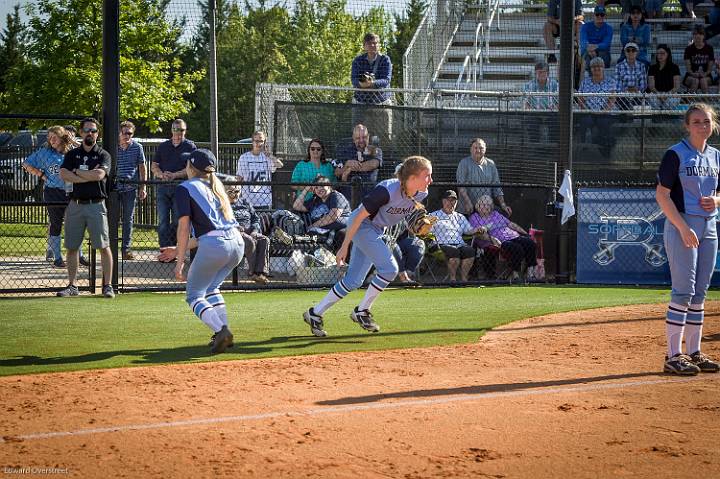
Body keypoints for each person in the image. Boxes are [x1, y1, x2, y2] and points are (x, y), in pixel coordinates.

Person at [302, 156, 433, 337]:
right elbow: (356, 217)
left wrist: (419, 227)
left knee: (353, 281)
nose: (431, 180)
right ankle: (362, 311)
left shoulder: (421, 193)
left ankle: (315, 313)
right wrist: (344, 246)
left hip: (376, 230)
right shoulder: (386, 190)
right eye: (427, 175)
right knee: (389, 269)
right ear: (412, 177)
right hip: (361, 225)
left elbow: (407, 218)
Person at [655, 102, 720, 375]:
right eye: (696, 122)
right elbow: (662, 194)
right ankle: (674, 355)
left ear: (713, 124)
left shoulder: (716, 155)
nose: (702, 126)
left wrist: (716, 200)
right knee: (683, 290)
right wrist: (682, 227)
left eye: (706, 121)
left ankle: (694, 352)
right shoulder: (676, 154)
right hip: (683, 224)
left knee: (700, 292)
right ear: (687, 125)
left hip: (710, 227)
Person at [160, 149, 245, 354]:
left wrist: (179, 262)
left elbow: (184, 228)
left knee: (194, 295)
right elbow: (210, 231)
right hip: (236, 243)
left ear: (190, 167)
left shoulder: (186, 187)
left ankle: (221, 331)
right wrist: (178, 250)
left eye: (186, 164)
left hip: (216, 246)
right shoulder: (217, 186)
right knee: (212, 287)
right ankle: (224, 332)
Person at [56, 118, 114, 298]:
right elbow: (63, 174)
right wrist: (86, 175)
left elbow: (100, 174)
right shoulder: (72, 155)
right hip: (75, 205)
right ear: (81, 133)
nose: (90, 133)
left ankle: (107, 286)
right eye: (87, 130)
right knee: (72, 247)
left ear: (97, 134)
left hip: (96, 205)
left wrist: (77, 173)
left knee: (104, 246)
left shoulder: (103, 155)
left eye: (94, 131)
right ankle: (72, 286)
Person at [22, 125, 88, 268]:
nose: (51, 140)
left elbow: (88, 153)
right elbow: (26, 163)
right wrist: (41, 175)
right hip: (53, 192)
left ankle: (80, 255)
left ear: (62, 137)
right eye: (49, 137)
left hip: (71, 191)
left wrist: (73, 141)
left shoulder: (72, 152)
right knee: (56, 223)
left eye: (54, 137)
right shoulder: (45, 153)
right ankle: (57, 258)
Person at [152, 118, 196, 256]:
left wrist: (175, 175)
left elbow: (192, 168)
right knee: (163, 221)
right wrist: (160, 174)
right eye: (176, 129)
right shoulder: (163, 146)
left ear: (185, 131)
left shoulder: (190, 146)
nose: (178, 133)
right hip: (163, 187)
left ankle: (177, 251)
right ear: (171, 130)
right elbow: (154, 165)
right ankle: (164, 252)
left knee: (179, 221)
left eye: (181, 130)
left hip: (181, 188)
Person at [468, 195, 538, 282]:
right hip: (498, 241)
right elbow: (477, 234)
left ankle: (530, 274)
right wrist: (491, 239)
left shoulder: (496, 214)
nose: (486, 207)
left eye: (488, 205)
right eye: (483, 204)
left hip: (513, 235)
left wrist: (525, 233)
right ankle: (515, 274)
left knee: (530, 243)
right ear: (477, 206)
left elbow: (510, 224)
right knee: (517, 248)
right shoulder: (474, 217)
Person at [429, 190, 487, 283]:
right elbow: (427, 231)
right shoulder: (434, 215)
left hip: (459, 244)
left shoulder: (460, 217)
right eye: (448, 200)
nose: (451, 203)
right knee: (454, 252)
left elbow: (468, 231)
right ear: (443, 201)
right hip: (441, 244)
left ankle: (464, 279)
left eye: (453, 201)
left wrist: (478, 229)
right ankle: (453, 279)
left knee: (470, 251)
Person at [351, 33, 393, 143]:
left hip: (381, 103)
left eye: (375, 43)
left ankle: (385, 158)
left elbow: (386, 80)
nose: (373, 46)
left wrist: (372, 83)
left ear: (379, 45)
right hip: (361, 102)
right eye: (370, 44)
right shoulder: (357, 60)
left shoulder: (385, 60)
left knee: (384, 135)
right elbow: (354, 79)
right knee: (359, 134)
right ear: (364, 46)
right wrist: (361, 84)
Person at [456, 138, 512, 216]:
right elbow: (461, 186)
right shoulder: (464, 163)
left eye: (481, 148)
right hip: (468, 208)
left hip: (486, 209)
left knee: (504, 215)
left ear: (485, 149)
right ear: (471, 149)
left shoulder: (491, 164)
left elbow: (497, 187)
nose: (478, 150)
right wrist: (467, 202)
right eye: (475, 148)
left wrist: (503, 204)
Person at [227, 184, 270, 284]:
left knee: (264, 240)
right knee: (249, 240)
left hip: (250, 232)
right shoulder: (222, 204)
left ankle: (260, 273)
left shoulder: (245, 203)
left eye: (237, 191)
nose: (234, 194)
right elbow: (221, 221)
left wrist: (255, 230)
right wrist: (234, 227)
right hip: (233, 234)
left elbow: (255, 219)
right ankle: (252, 273)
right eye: (230, 192)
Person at [116, 121, 147, 260]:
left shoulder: (137, 147)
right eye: (124, 133)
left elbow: (142, 167)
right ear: (119, 133)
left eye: (130, 133)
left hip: (130, 188)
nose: (127, 135)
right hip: (114, 188)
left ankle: (126, 249)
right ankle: (110, 247)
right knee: (112, 219)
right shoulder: (113, 146)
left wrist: (143, 186)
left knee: (128, 219)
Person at [577, 57, 616, 155]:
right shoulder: (585, 82)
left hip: (605, 112)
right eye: (594, 66)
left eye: (599, 66)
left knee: (603, 122)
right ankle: (584, 148)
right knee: (585, 121)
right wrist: (588, 110)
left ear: (603, 68)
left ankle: (604, 149)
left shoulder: (610, 81)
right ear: (590, 69)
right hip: (588, 111)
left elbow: (612, 99)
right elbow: (580, 99)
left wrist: (603, 111)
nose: (596, 68)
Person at [332, 124, 382, 200]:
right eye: (358, 138)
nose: (361, 140)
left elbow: (373, 164)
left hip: (369, 197)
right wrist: (346, 165)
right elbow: (337, 172)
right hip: (348, 197)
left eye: (364, 137)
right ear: (353, 138)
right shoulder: (344, 151)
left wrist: (350, 168)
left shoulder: (375, 150)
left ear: (368, 136)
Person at [236, 130, 283, 209]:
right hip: (248, 199)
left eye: (261, 141)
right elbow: (239, 177)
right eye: (256, 141)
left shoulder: (267, 157)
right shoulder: (244, 157)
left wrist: (270, 156)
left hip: (265, 199)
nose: (259, 143)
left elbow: (280, 165)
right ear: (252, 142)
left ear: (264, 142)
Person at [523, 62, 559, 144]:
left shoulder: (555, 85)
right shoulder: (528, 85)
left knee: (556, 121)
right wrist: (530, 110)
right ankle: (535, 146)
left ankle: (553, 146)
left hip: (551, 113)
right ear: (535, 73)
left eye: (544, 72)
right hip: (534, 113)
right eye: (539, 72)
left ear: (548, 73)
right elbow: (525, 102)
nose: (541, 74)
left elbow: (559, 102)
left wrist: (554, 109)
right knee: (531, 122)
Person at [647, 44, 681, 110]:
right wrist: (659, 95)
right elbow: (651, 86)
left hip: (671, 93)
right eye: (658, 53)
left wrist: (667, 95)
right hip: (656, 93)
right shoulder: (652, 68)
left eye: (662, 53)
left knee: (669, 103)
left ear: (668, 54)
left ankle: (668, 120)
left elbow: (676, 86)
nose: (659, 55)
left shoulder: (675, 67)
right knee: (654, 102)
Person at [615, 42, 647, 110]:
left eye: (633, 50)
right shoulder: (619, 66)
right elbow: (617, 86)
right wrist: (626, 91)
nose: (631, 52)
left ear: (637, 52)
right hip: (623, 96)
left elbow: (643, 85)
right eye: (628, 50)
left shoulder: (642, 66)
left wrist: (636, 90)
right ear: (625, 52)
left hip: (637, 95)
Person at [683, 25, 714, 94]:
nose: (698, 36)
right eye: (695, 34)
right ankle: (689, 102)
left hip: (706, 76)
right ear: (693, 36)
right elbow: (688, 69)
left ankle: (706, 102)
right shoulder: (688, 49)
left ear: (704, 36)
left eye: (700, 34)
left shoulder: (709, 48)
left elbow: (710, 69)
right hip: (690, 75)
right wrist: (693, 74)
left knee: (703, 81)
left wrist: (705, 74)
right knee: (695, 81)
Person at [580, 5, 613, 70]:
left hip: (602, 53)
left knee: (603, 55)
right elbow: (583, 42)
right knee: (587, 56)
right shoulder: (585, 26)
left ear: (605, 16)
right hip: (588, 52)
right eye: (597, 14)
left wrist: (595, 46)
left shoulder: (609, 28)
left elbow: (606, 44)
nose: (599, 16)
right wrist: (590, 48)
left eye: (602, 15)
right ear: (593, 15)